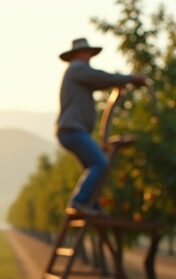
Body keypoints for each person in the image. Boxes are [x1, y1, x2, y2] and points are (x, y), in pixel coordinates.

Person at [56, 38, 147, 215]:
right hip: (72, 130)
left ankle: (92, 205)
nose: (89, 56)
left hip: (71, 130)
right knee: (100, 163)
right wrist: (130, 78)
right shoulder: (77, 69)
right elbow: (100, 78)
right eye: (87, 52)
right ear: (79, 54)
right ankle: (79, 201)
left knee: (92, 168)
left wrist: (118, 83)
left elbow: (98, 81)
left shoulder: (78, 75)